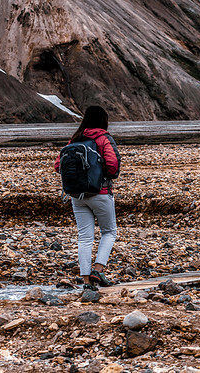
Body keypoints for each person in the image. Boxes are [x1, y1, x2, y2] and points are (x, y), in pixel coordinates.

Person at [54, 105, 121, 290]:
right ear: (103, 121)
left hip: (77, 195)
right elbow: (113, 164)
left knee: (84, 237)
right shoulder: (103, 139)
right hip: (100, 193)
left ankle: (86, 282)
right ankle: (98, 270)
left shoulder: (74, 139)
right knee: (109, 232)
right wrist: (106, 176)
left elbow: (58, 166)